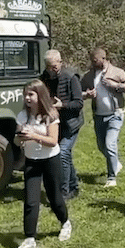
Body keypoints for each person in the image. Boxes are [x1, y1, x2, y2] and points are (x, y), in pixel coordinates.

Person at [13, 80, 72, 248]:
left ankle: (65, 222)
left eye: (31, 94)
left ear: (40, 95)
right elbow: (16, 140)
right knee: (31, 201)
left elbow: (53, 141)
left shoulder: (50, 115)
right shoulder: (22, 116)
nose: (27, 98)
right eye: (25, 95)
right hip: (32, 162)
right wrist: (20, 138)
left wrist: (34, 135)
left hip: (50, 160)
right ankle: (30, 240)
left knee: (54, 198)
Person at [81, 48, 125, 187]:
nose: (92, 63)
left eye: (95, 60)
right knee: (101, 146)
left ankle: (111, 178)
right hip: (98, 115)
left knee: (110, 144)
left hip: (115, 114)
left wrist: (116, 85)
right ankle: (116, 163)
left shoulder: (117, 72)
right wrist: (87, 94)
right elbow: (78, 91)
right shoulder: (89, 76)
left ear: (103, 58)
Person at [39, 49, 84, 200]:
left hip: (71, 123)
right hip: (55, 123)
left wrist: (61, 105)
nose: (53, 70)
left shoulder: (71, 77)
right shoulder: (44, 78)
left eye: (55, 66)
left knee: (63, 152)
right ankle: (73, 186)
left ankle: (63, 192)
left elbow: (78, 103)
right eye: (50, 66)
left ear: (60, 63)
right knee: (65, 156)